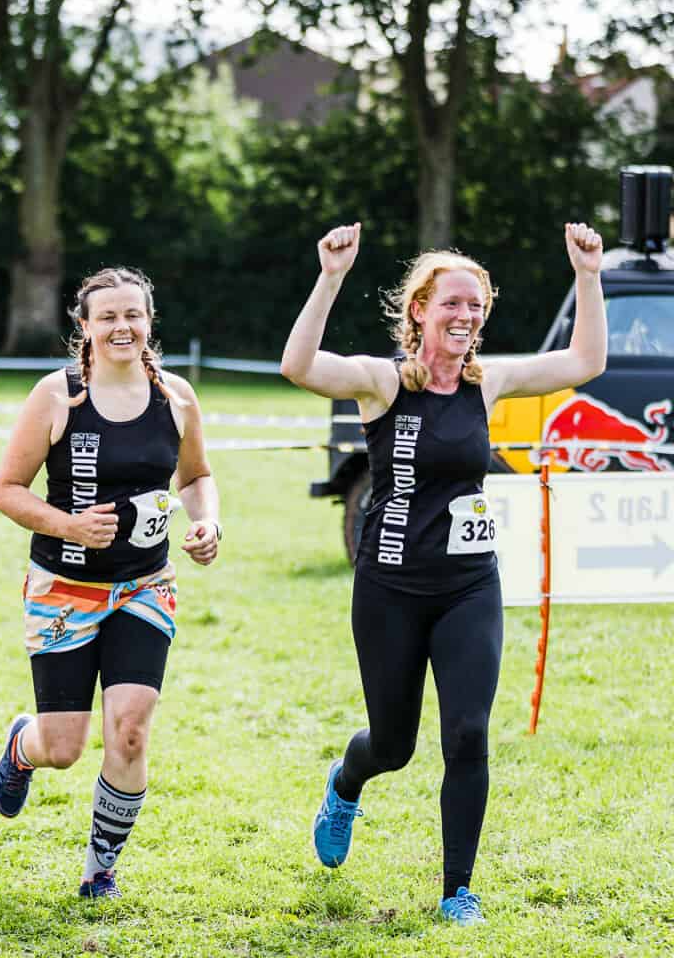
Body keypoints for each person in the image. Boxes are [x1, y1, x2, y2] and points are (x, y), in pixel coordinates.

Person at [280, 222, 606, 925]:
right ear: (420, 309)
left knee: (467, 734)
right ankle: (346, 782)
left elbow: (585, 360)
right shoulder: (382, 382)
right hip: (390, 590)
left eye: (476, 306)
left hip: (468, 588)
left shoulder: (490, 384)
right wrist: (329, 277)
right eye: (452, 303)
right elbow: (299, 366)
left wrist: (588, 274)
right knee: (392, 745)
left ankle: (458, 889)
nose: (466, 316)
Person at [0, 267, 221, 899]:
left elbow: (196, 477)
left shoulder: (176, 398)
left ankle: (100, 870)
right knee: (64, 747)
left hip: (144, 585)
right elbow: (5, 492)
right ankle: (22, 747)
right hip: (64, 588)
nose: (122, 327)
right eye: (108, 317)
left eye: (134, 316)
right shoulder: (57, 396)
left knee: (130, 728)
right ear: (84, 326)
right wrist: (68, 525)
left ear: (149, 322)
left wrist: (207, 522)